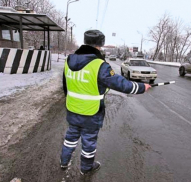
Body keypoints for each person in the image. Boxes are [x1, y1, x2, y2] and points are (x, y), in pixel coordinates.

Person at [60, 29, 151, 175]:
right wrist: (142, 87)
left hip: (72, 108)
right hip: (91, 112)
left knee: (70, 137)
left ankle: (64, 161)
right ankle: (86, 168)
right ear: (100, 45)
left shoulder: (69, 60)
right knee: (88, 142)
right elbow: (123, 85)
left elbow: (65, 85)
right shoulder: (99, 65)